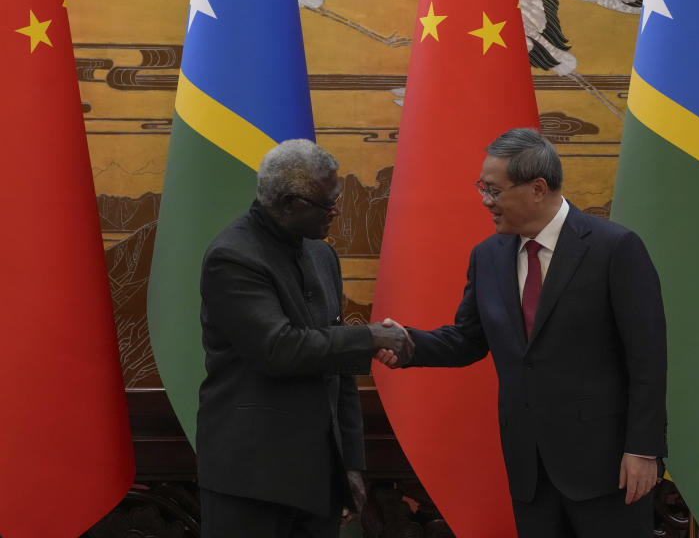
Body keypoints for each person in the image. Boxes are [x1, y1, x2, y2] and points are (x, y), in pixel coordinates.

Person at [377, 128, 667, 537]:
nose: (484, 201)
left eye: (493, 190)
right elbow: (467, 340)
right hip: (530, 469)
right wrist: (407, 344)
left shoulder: (614, 248)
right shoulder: (487, 256)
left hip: (608, 468)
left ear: (537, 188)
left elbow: (648, 359)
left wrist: (644, 449)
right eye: (483, 188)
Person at [196, 138, 414, 538]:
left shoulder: (321, 254)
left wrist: (350, 462)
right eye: (327, 204)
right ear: (290, 203)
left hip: (317, 479)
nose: (336, 212)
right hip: (252, 481)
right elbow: (278, 350)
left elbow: (338, 369)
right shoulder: (232, 257)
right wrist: (368, 336)